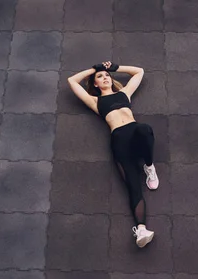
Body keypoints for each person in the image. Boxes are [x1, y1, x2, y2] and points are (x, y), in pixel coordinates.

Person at [67, 61, 159, 248]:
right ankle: (141, 229)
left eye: (107, 76)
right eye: (100, 77)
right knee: (133, 187)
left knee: (144, 129)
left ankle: (149, 167)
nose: (105, 78)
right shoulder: (95, 101)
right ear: (95, 84)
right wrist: (94, 69)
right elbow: (72, 81)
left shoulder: (124, 93)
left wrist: (114, 68)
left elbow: (139, 71)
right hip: (119, 141)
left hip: (135, 132)